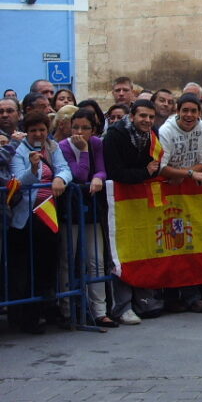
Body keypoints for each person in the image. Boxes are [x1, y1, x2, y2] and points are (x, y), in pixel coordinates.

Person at [102, 99, 165, 324]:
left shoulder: (153, 135)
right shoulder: (115, 136)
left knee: (143, 249)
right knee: (121, 254)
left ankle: (145, 299)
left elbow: (156, 165)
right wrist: (143, 173)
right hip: (117, 203)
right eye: (142, 116)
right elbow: (115, 172)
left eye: (150, 117)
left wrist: (147, 173)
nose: (147, 121)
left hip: (140, 202)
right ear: (132, 116)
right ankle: (122, 306)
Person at [8, 111, 71, 333]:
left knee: (47, 264)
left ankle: (47, 311)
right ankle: (26, 318)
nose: (38, 134)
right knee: (24, 270)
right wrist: (33, 169)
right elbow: (18, 181)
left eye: (42, 130)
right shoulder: (18, 150)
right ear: (27, 131)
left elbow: (65, 169)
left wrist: (59, 179)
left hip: (48, 214)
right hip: (26, 217)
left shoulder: (53, 147)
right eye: (33, 130)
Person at [58, 107, 115, 328]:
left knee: (96, 259)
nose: (79, 132)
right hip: (70, 209)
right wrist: (82, 151)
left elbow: (100, 170)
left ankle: (99, 309)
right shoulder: (64, 146)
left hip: (91, 209)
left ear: (94, 129)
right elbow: (79, 174)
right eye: (75, 127)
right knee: (67, 259)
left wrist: (99, 178)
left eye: (85, 128)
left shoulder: (98, 144)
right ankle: (66, 308)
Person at [158, 94, 202, 314]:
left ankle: (192, 296)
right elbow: (162, 166)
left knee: (192, 243)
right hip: (168, 194)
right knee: (171, 244)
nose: (189, 115)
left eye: (194, 111)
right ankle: (172, 297)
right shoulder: (166, 131)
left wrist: (185, 175)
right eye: (185, 110)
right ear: (178, 111)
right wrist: (189, 173)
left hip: (190, 194)